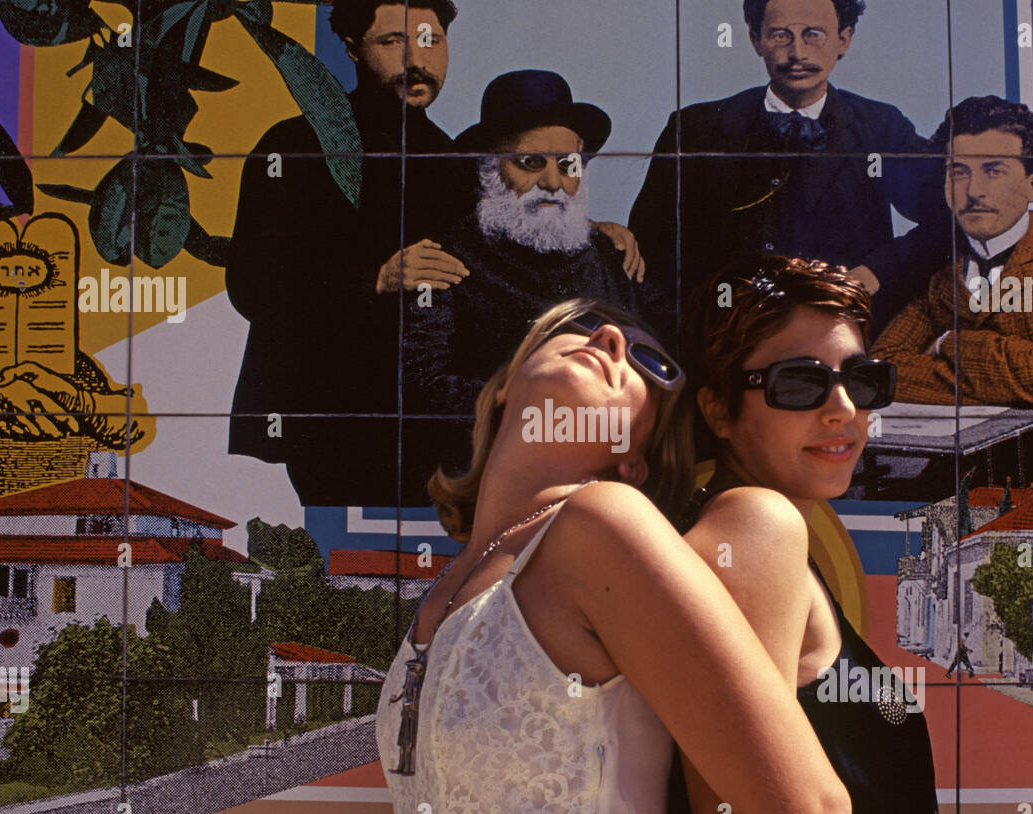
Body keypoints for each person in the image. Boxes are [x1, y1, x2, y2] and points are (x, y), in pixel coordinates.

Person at [375, 298, 853, 814]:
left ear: (636, 460)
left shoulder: (604, 522)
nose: (608, 339)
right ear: (504, 386)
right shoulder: (450, 583)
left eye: (650, 362)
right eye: (576, 326)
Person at [674, 257, 942, 814]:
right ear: (717, 408)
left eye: (864, 379)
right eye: (799, 381)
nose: (844, 408)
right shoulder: (754, 529)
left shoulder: (764, 529)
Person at [226, 0, 462, 506]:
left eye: (430, 40)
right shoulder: (294, 144)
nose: (417, 59)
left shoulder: (457, 160)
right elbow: (250, 286)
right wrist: (376, 278)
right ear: (352, 49)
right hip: (329, 424)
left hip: (430, 425)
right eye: (392, 41)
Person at [401, 70, 672, 499]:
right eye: (531, 163)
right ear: (489, 168)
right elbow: (422, 383)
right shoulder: (446, 260)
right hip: (490, 488)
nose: (552, 182)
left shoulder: (609, 254)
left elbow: (665, 351)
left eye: (567, 165)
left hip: (607, 487)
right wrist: (543, 404)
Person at [628, 0, 949, 334]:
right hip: (727, 341)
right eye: (781, 36)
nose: (798, 53)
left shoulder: (882, 126)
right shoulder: (694, 128)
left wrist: (877, 270)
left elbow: (948, 220)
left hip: (840, 335)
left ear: (844, 39)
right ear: (756, 40)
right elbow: (652, 252)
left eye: (814, 35)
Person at [871, 96, 1033, 478]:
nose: (974, 191)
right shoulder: (941, 271)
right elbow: (883, 367)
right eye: (958, 172)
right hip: (961, 475)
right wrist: (1002, 379)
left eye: (993, 170)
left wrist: (947, 345)